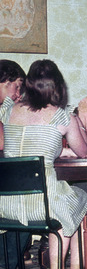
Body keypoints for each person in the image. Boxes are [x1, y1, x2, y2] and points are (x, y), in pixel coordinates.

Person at [0, 59, 87, 269]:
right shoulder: (63, 117)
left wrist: (58, 149)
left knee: (71, 206)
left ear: (28, 84)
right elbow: (83, 152)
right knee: (81, 202)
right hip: (43, 207)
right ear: (58, 85)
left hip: (6, 205)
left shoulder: (8, 110)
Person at [0, 59, 30, 269]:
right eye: (16, 85)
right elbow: (4, 141)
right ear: (3, 81)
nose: (19, 92)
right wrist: (12, 104)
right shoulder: (6, 108)